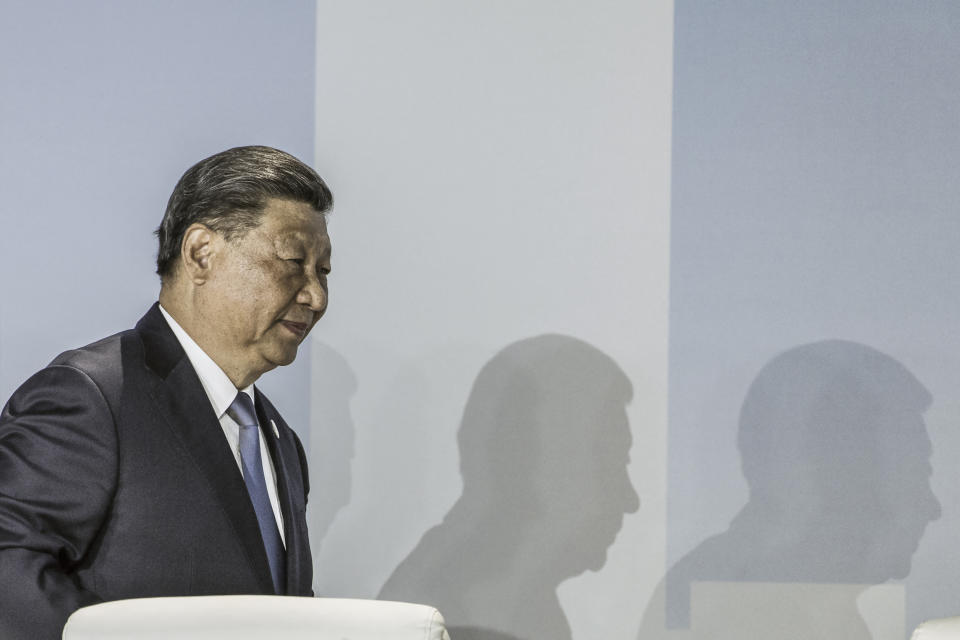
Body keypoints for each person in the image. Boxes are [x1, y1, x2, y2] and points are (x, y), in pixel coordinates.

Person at [0, 145, 332, 640]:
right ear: (201, 253)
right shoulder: (92, 395)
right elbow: (9, 566)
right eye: (292, 262)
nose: (316, 296)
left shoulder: (280, 441)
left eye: (323, 272)